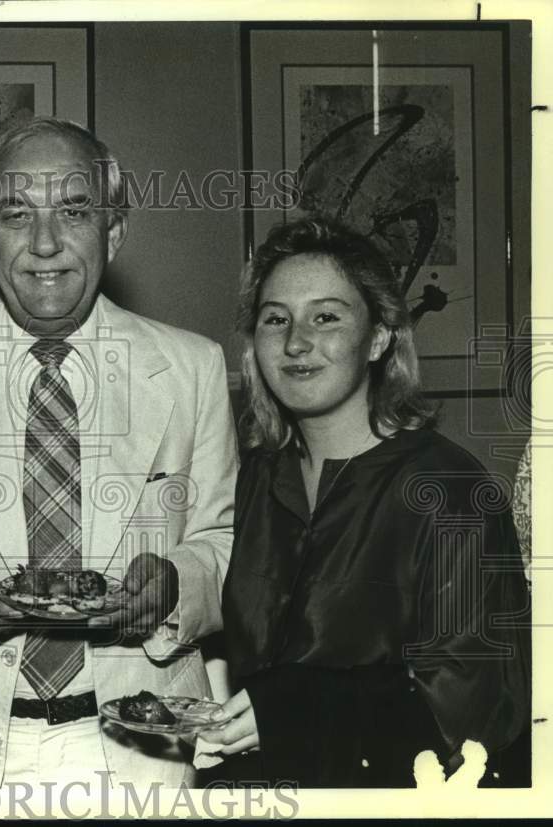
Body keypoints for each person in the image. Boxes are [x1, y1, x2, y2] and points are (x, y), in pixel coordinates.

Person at [0, 118, 238, 787]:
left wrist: (175, 586)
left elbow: (228, 544)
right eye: (16, 214)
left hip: (138, 754)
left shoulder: (192, 367)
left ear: (113, 231)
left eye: (75, 212)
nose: (47, 243)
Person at [198, 216, 530, 787]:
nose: (296, 342)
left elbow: (476, 710)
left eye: (325, 317)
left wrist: (295, 706)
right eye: (275, 319)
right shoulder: (251, 476)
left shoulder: (449, 491)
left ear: (378, 338)